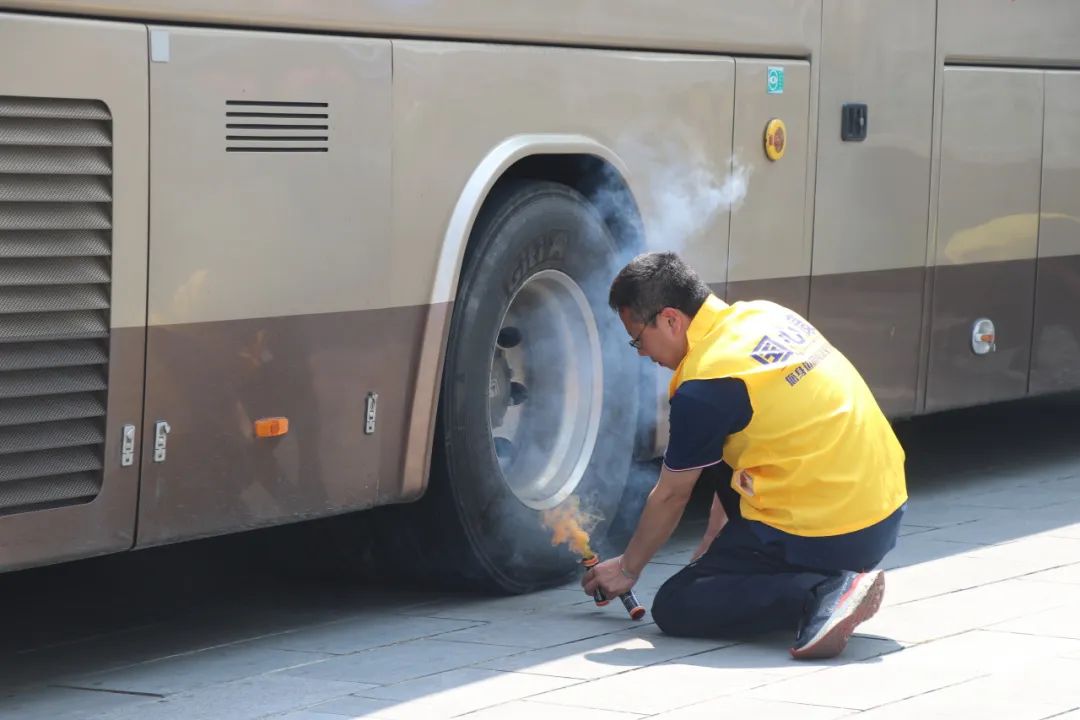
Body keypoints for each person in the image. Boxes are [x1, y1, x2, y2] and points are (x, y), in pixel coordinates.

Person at [582, 251, 907, 659]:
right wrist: (717, 541)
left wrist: (628, 568)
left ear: (670, 319)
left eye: (637, 339)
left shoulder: (706, 383)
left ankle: (824, 591)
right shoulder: (765, 315)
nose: (641, 353)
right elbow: (741, 449)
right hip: (884, 507)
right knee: (718, 443)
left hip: (831, 529)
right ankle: (822, 575)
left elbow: (671, 495)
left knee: (677, 604)